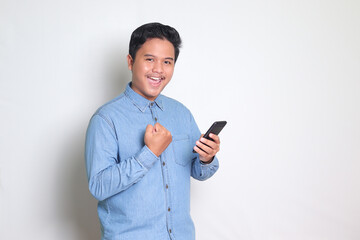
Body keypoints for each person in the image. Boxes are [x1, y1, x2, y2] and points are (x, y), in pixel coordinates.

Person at [85, 22, 221, 240]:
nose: (158, 69)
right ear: (130, 62)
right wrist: (149, 154)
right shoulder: (106, 119)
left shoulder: (181, 113)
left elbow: (198, 171)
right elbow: (98, 186)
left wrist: (207, 158)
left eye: (167, 62)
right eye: (150, 59)